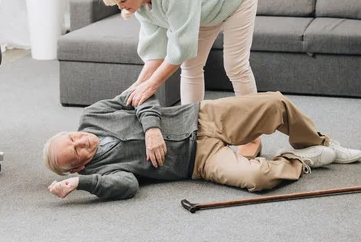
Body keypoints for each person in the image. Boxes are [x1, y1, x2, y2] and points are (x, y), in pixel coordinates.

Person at [43, 91, 361, 201]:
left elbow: (143, 96)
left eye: (73, 137)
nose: (82, 142)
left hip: (201, 117)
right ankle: (304, 159)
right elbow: (127, 185)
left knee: (275, 104)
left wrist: (152, 128)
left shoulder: (92, 115)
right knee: (258, 179)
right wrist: (83, 184)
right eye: (78, 151)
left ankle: (317, 143)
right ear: (79, 166)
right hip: (198, 161)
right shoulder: (97, 172)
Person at [100, 0, 260, 158]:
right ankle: (191, 134)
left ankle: (253, 137)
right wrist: (137, 87)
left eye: (122, 0)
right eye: (116, 3)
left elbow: (182, 48)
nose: (120, 7)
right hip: (205, 4)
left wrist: (150, 86)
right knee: (191, 67)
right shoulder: (139, 3)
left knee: (235, 65)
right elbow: (155, 53)